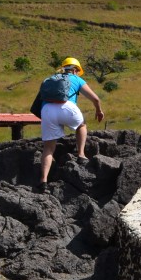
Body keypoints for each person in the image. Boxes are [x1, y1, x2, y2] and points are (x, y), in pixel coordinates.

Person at [37, 57, 104, 192]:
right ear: (75, 70)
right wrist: (99, 111)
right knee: (81, 125)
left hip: (47, 110)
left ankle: (43, 181)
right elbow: (95, 98)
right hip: (67, 107)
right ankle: (81, 154)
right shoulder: (76, 79)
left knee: (48, 148)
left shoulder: (51, 78)